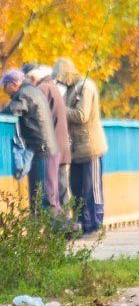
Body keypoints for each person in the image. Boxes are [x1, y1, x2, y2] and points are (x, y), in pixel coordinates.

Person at [54, 58, 109, 236]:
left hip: (90, 147)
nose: (60, 81)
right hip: (75, 149)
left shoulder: (86, 87)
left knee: (92, 189)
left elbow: (82, 115)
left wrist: (60, 110)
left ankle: (95, 224)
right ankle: (82, 224)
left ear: (68, 74)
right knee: (76, 188)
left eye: (61, 77)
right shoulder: (70, 90)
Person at [2, 69, 62, 216]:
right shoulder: (32, 90)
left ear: (14, 84)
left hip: (42, 149)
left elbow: (14, 109)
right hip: (45, 148)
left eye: (5, 86)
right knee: (43, 196)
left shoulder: (25, 94)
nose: (4, 91)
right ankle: (49, 231)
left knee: (45, 197)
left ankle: (66, 230)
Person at [26, 65, 72, 208]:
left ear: (33, 79)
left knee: (52, 191)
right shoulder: (52, 87)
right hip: (61, 144)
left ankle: (63, 226)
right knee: (61, 189)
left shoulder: (42, 89)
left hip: (52, 148)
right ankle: (67, 225)